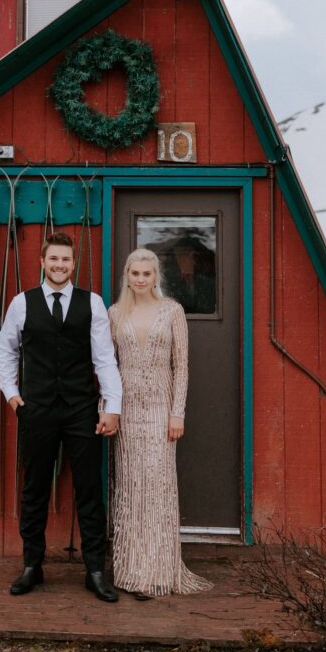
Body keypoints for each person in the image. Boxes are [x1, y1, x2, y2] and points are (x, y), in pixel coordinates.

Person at [0, 231, 122, 602]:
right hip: (36, 410)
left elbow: (104, 359)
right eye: (54, 259)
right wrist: (13, 395)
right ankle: (32, 567)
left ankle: (95, 570)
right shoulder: (22, 303)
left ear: (73, 264)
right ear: (43, 261)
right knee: (34, 488)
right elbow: (6, 352)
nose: (60, 265)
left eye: (66, 260)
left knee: (89, 490)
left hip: (82, 409)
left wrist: (111, 406)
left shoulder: (92, 303)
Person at [108, 248, 211, 599]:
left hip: (159, 410)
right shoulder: (115, 313)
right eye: (134, 274)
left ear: (156, 277)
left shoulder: (172, 311)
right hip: (126, 410)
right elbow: (107, 367)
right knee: (131, 486)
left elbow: (181, 365)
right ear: (127, 276)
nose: (140, 280)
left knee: (157, 485)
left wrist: (177, 412)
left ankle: (158, 569)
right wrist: (107, 408)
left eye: (146, 274)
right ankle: (130, 569)